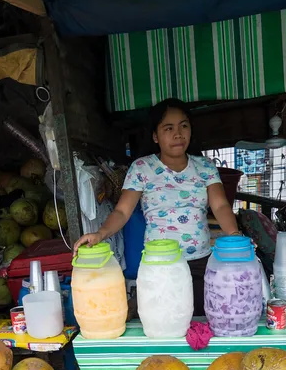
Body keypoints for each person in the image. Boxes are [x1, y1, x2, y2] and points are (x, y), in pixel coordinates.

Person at [72, 99, 241, 314]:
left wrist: (234, 235)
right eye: (168, 128)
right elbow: (123, 211)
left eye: (184, 126)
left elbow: (220, 206)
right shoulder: (142, 168)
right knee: (165, 326)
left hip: (200, 262)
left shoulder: (205, 167)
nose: (178, 134)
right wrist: (100, 234)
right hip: (159, 265)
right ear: (155, 136)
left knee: (201, 325)